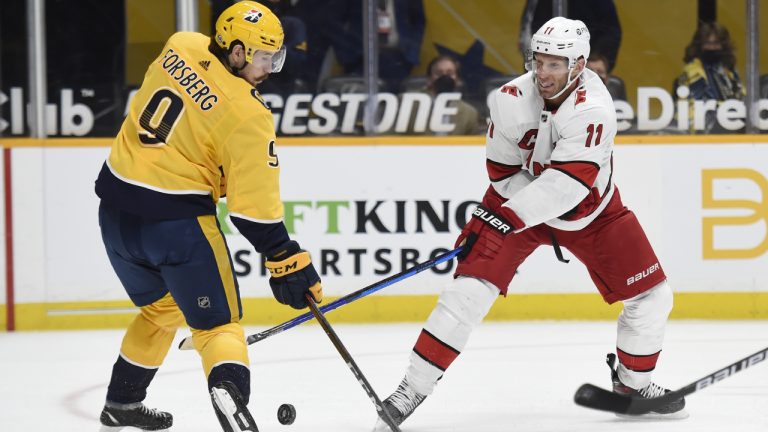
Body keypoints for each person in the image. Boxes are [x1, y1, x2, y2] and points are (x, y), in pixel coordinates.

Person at [374, 17, 687, 430]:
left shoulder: (595, 107)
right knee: (465, 293)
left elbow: (568, 187)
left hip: (590, 213)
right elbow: (502, 171)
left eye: (554, 64)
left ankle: (631, 385)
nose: (542, 73)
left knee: (653, 297)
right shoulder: (508, 99)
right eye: (538, 61)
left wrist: (504, 220)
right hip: (516, 201)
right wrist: (507, 216)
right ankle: (410, 390)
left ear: (578, 65)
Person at [94, 2, 323, 431]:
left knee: (161, 310)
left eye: (275, 57)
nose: (270, 68)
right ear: (235, 52)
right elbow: (253, 212)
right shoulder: (248, 114)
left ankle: (121, 402)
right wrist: (284, 258)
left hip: (116, 215)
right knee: (219, 326)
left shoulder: (181, 45)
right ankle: (231, 398)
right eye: (261, 56)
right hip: (175, 226)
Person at [674, 22, 744, 132]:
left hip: (730, 128)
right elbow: (701, 105)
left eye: (716, 43)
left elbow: (743, 97)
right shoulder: (693, 69)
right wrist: (735, 110)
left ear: (724, 45)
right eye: (707, 43)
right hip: (700, 133)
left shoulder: (729, 71)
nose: (712, 47)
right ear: (699, 45)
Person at [519, 0, 621, 72]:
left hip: (584, 67)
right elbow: (527, 30)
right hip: (541, 65)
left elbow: (610, 31)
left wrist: (601, 59)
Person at [406, 55, 483, 135]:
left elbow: (474, 145)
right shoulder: (409, 106)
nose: (444, 77)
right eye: (439, 73)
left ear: (458, 80)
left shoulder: (469, 113)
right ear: (429, 79)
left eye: (450, 73)